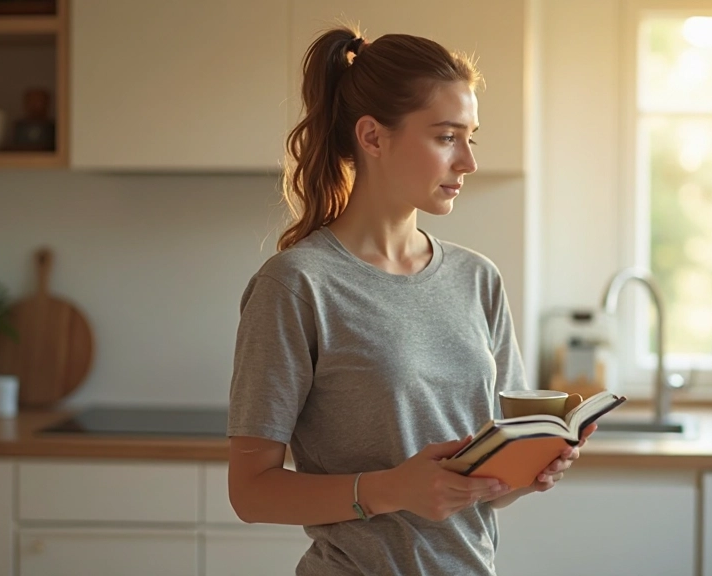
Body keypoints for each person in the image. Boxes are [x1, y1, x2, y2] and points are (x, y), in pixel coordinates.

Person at [226, 24, 595, 576]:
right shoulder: (297, 284)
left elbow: (484, 490)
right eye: (447, 137)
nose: (467, 161)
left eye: (471, 137)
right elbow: (251, 494)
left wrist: (528, 470)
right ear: (373, 137)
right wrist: (392, 489)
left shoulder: (478, 279)